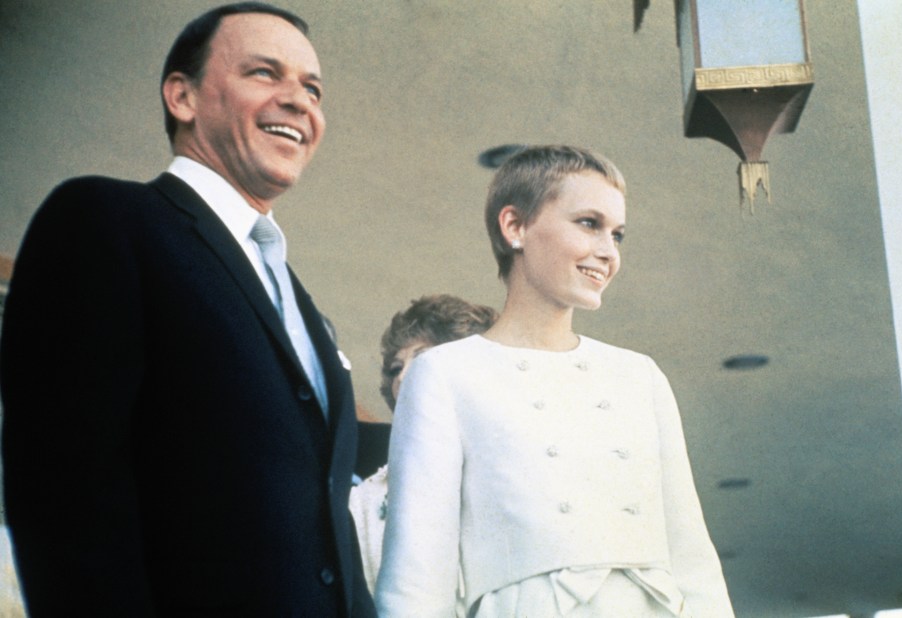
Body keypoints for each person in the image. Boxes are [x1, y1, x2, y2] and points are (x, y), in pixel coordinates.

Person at [0, 3, 375, 615]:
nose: (300, 101)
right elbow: (65, 496)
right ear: (183, 96)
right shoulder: (107, 222)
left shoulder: (295, 297)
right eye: (264, 73)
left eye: (312, 88)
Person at [376, 145, 734, 617]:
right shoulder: (444, 374)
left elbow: (693, 560)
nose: (608, 252)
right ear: (515, 227)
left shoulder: (639, 376)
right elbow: (416, 580)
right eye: (589, 224)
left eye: (618, 234)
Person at [350, 294, 498, 595]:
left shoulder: (515, 471)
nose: (401, 377)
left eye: (422, 359)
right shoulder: (363, 500)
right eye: (394, 368)